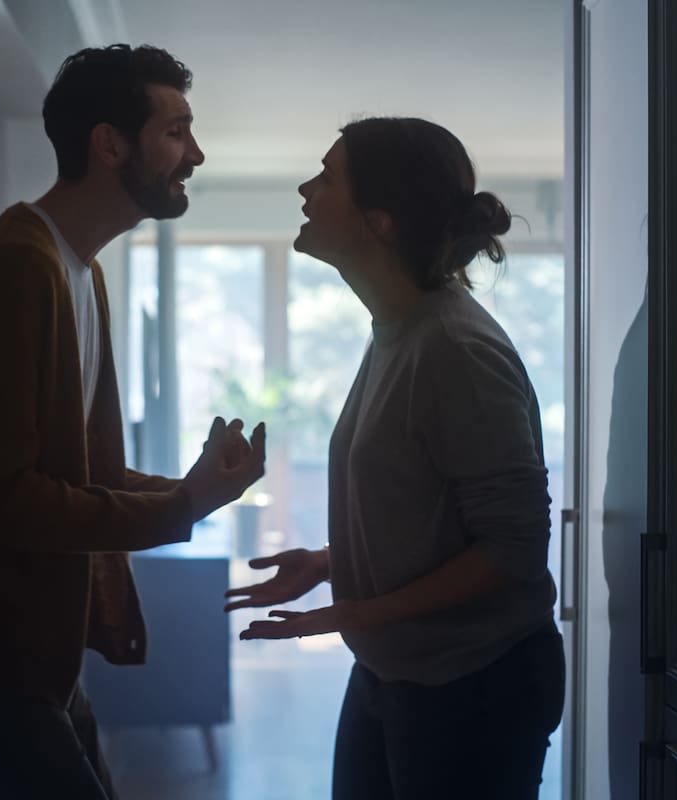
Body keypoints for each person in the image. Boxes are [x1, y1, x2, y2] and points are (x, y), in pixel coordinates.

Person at [0, 44, 265, 800]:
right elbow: (0, 498)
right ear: (110, 144)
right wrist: (184, 504)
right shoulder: (15, 266)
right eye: (177, 132)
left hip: (37, 646)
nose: (194, 154)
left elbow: (82, 476)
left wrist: (195, 488)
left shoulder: (80, 270)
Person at [225, 117, 564, 799]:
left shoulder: (454, 349)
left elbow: (514, 548)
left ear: (378, 223)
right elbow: (430, 510)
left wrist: (353, 612)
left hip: (474, 686)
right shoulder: (399, 331)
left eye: (326, 177)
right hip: (400, 670)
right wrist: (331, 565)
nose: (305, 188)